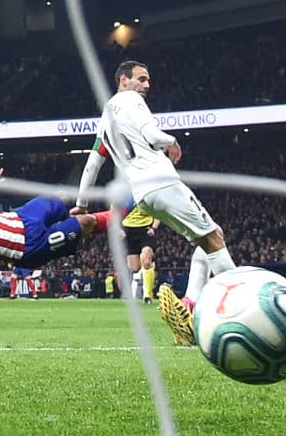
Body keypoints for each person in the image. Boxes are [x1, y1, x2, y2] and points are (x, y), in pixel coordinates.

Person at [74, 60, 236, 345]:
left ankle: (190, 305)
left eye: (148, 81)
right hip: (163, 182)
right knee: (213, 237)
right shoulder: (132, 100)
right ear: (123, 80)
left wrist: (82, 203)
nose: (147, 85)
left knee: (209, 239)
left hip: (142, 196)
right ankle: (243, 306)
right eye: (141, 79)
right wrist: (171, 141)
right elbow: (151, 134)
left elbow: (93, 163)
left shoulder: (106, 117)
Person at [0, 165, 111, 326]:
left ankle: (71, 222)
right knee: (86, 222)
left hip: (22, 217)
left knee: (62, 196)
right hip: (29, 247)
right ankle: (120, 217)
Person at [121, 200, 160, 304]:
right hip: (128, 231)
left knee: (146, 261)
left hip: (146, 230)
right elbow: (113, 214)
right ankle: (151, 265)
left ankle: (147, 295)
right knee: (134, 267)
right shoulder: (123, 196)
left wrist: (154, 228)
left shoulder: (147, 194)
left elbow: (159, 213)